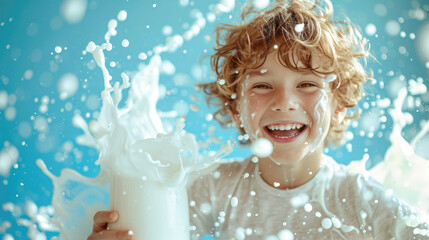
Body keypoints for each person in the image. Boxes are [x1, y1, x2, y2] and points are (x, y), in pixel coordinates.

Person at [88, 0, 429, 239]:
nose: (284, 102)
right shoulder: (214, 188)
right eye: (263, 86)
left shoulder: (359, 198)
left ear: (339, 104)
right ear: (236, 108)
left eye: (307, 84)